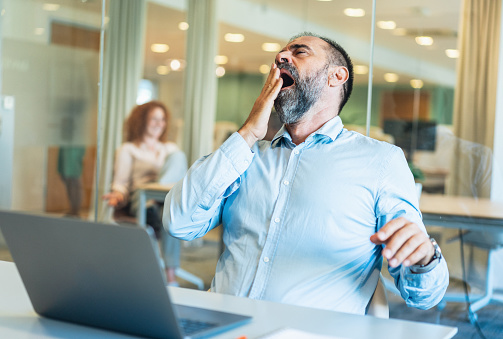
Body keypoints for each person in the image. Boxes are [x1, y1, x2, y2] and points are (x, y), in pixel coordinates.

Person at [163, 32, 449, 314]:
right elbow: (179, 222)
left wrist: (424, 258)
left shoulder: (381, 161)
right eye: (280, 55)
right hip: (223, 327)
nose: (281, 58)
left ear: (337, 76)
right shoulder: (246, 156)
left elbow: (423, 297)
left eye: (299, 52)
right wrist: (248, 132)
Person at [104, 101, 187, 285]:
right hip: (140, 200)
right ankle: (157, 202)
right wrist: (117, 194)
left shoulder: (170, 149)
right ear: (142, 121)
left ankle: (170, 276)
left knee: (171, 217)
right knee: (169, 212)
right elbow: (121, 183)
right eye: (154, 119)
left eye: (163, 119)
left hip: (165, 199)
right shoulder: (128, 149)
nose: (159, 123)